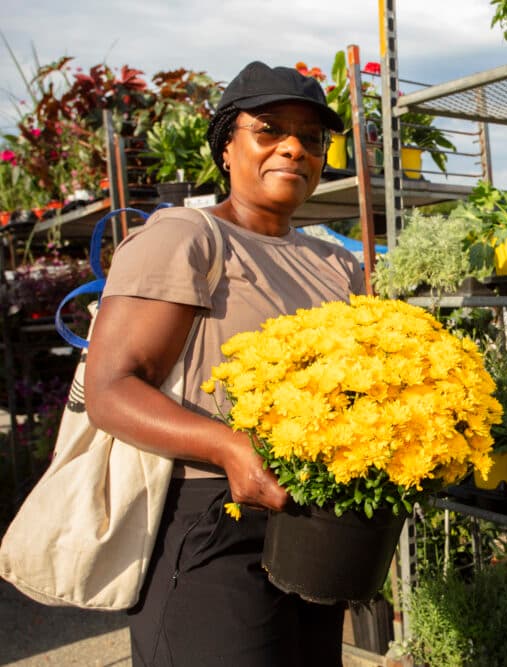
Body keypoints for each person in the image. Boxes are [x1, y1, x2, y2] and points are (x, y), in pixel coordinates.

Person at [85, 61, 364, 666]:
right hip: (213, 518)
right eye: (269, 129)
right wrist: (233, 448)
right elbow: (111, 389)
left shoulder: (336, 263)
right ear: (226, 147)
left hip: (314, 519)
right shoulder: (185, 238)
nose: (293, 147)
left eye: (311, 138)